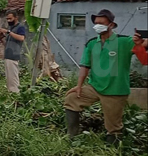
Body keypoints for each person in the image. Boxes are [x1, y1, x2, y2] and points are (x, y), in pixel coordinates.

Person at [63, 9, 148, 144]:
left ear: (111, 25)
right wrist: (78, 86)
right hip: (95, 87)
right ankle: (72, 137)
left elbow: (144, 56)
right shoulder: (91, 43)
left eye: (101, 23)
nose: (97, 26)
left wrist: (140, 41)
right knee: (71, 98)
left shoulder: (125, 42)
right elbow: (85, 66)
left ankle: (112, 152)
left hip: (115, 90)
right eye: (96, 23)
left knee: (113, 127)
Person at [0, 10, 26, 93]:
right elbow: (8, 43)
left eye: (10, 18)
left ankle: (15, 93)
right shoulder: (11, 28)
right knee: (9, 77)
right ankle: (11, 92)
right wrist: (1, 39)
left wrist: (8, 32)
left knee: (13, 77)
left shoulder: (20, 27)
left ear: (16, 18)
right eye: (7, 19)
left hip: (14, 55)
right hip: (8, 54)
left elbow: (21, 38)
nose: (8, 20)